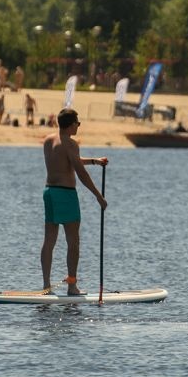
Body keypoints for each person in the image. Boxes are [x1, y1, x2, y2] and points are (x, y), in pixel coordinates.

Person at [40, 109, 108, 294]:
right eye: (77, 123)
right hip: (66, 194)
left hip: (49, 192)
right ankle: (72, 286)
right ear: (71, 125)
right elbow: (80, 172)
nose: (78, 126)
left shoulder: (48, 141)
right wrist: (98, 195)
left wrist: (94, 161)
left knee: (49, 241)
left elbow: (69, 160)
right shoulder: (71, 144)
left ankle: (46, 285)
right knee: (73, 242)